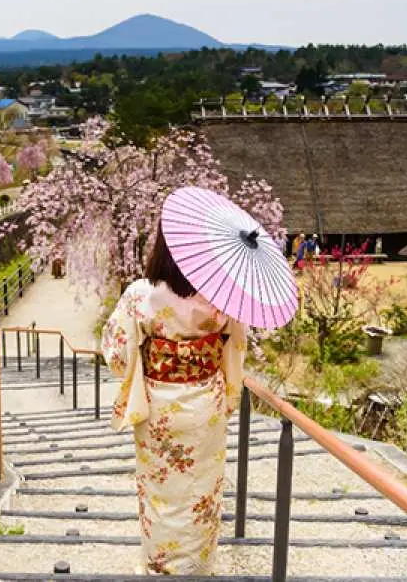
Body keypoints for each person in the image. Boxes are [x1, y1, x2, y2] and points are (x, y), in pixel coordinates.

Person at [102, 223, 247, 575]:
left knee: (159, 486)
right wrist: (229, 395)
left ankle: (160, 565)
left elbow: (116, 352)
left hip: (158, 405)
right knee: (203, 488)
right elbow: (237, 347)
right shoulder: (225, 295)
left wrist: (149, 358)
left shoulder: (140, 294)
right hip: (205, 406)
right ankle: (198, 566)